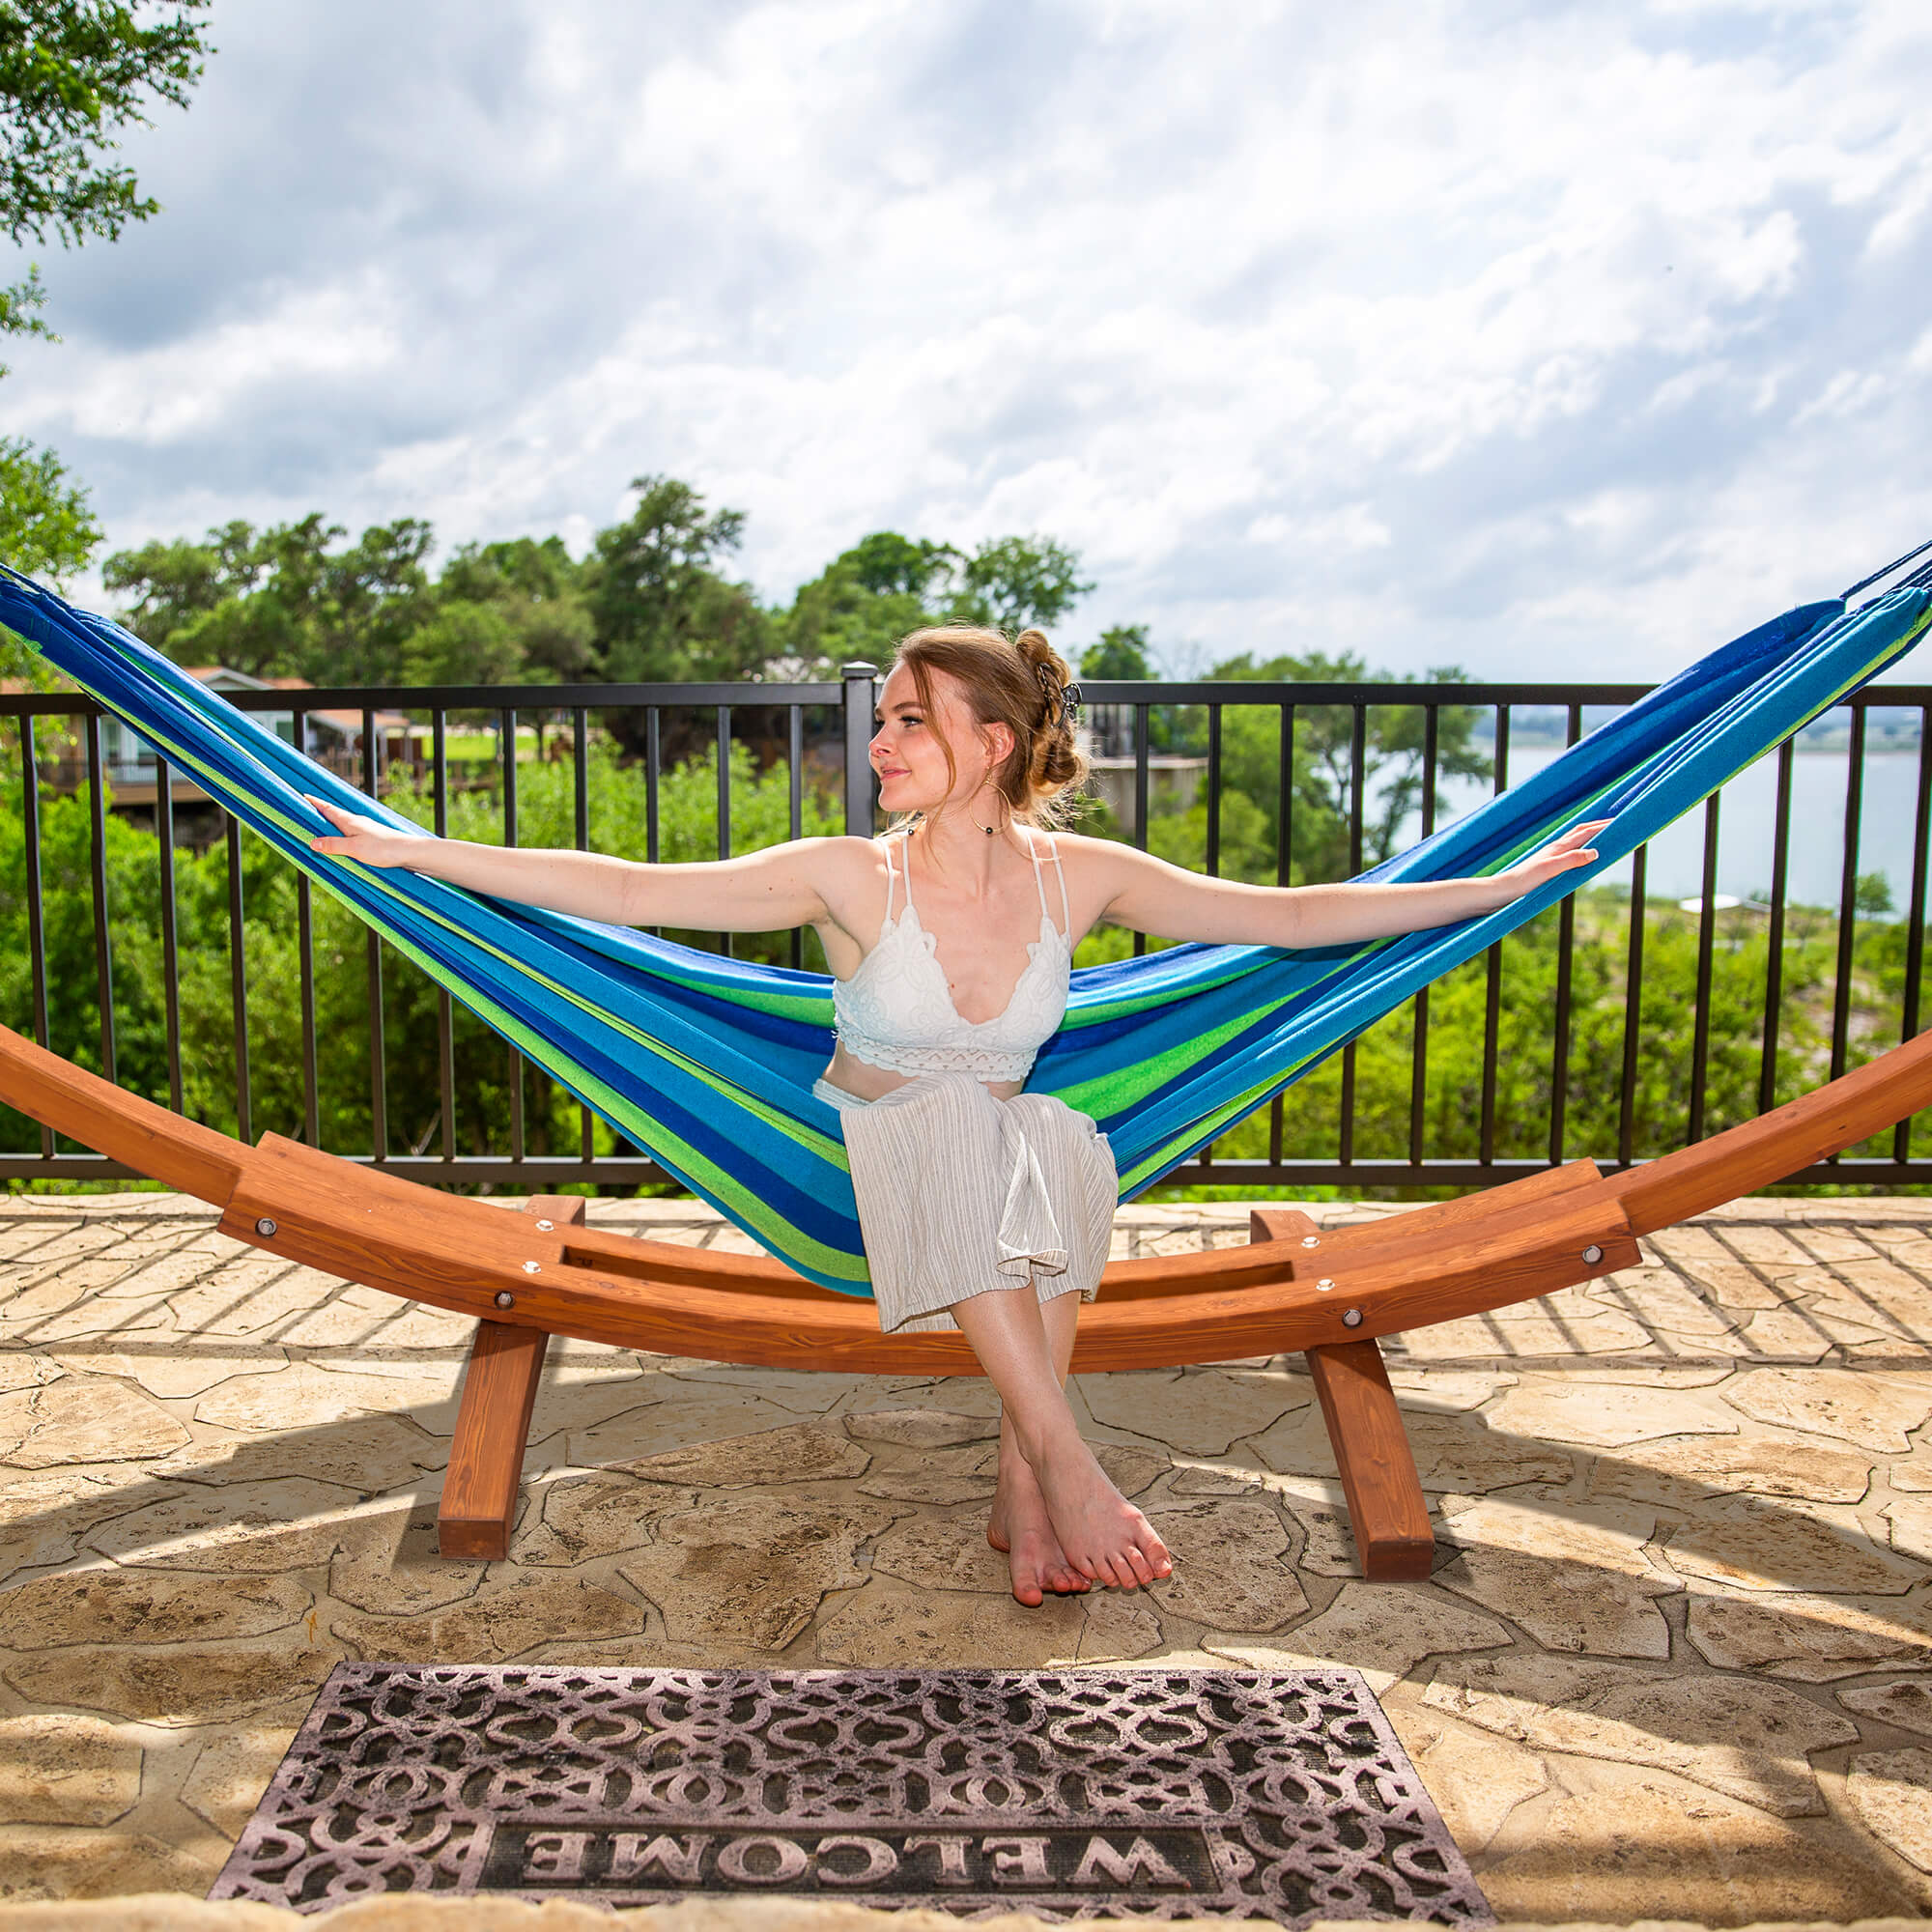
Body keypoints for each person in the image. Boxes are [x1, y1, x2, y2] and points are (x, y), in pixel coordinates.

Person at [308, 625, 1607, 1606]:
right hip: (855, 1160)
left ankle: (1018, 1494)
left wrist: (1490, 890)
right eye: (883, 721)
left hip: (992, 1185)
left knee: (1054, 1138)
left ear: (992, 744)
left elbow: (1295, 916)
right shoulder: (845, 874)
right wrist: (421, 850)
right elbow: (625, 885)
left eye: (911, 723)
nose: (881, 744)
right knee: (979, 1128)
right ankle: (1067, 1462)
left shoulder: (1080, 875)